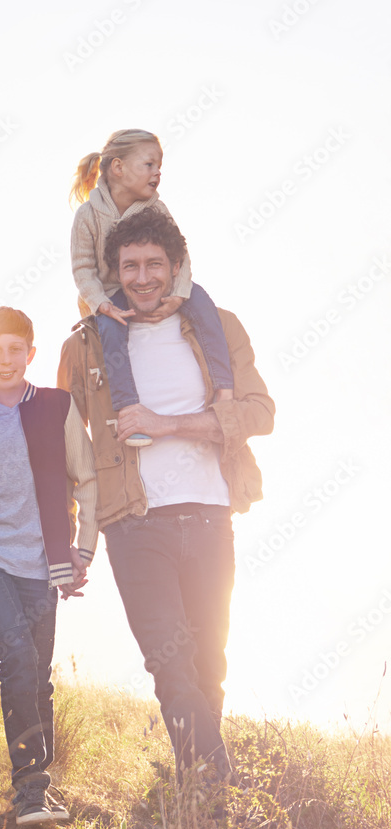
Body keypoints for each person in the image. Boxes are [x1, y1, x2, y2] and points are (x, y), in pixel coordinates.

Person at [58, 206, 275, 779]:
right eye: (130, 265)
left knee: (209, 666)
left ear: (176, 266)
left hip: (209, 514)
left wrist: (169, 423)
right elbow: (63, 448)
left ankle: (201, 790)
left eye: (155, 263)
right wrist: (68, 538)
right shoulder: (84, 346)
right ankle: (216, 783)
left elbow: (260, 413)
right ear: (114, 272)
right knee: (170, 665)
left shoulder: (217, 326)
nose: (143, 277)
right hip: (133, 522)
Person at [0, 306, 98, 826]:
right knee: (17, 656)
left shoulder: (57, 406)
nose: (5, 360)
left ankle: (40, 792)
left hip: (44, 563)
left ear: (31, 354)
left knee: (40, 676)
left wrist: (84, 548)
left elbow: (87, 477)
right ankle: (30, 790)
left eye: (15, 350)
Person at [70, 128, 234, 447]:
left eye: (159, 165)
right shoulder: (88, 215)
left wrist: (180, 295)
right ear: (118, 168)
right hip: (109, 293)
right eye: (149, 164)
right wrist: (101, 304)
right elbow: (82, 268)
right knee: (111, 329)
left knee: (205, 307)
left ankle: (224, 388)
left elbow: (181, 256)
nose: (157, 172)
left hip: (164, 290)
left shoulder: (155, 208)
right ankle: (129, 407)